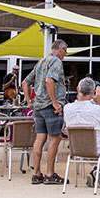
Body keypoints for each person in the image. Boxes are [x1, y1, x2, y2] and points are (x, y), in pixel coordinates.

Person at [22, 39, 68, 185]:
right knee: (55, 138)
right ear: (60, 49)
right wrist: (55, 102)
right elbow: (50, 80)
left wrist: (29, 101)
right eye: (65, 52)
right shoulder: (56, 62)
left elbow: (25, 82)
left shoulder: (41, 62)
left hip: (38, 106)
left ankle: (36, 173)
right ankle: (50, 174)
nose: (64, 55)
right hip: (50, 106)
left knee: (40, 139)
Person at [65, 78, 100, 188]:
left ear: (77, 89)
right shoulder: (96, 109)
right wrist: (98, 102)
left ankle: (96, 170)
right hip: (96, 146)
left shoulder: (67, 108)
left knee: (97, 146)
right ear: (93, 92)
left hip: (76, 146)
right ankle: (98, 169)